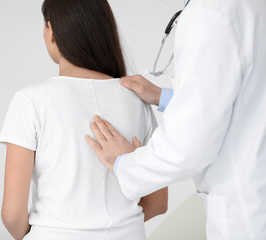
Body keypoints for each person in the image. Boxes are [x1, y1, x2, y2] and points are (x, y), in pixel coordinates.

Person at [86, 0, 266, 239]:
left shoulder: (207, 14)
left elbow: (189, 148)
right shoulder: (250, 7)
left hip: (247, 215)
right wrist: (166, 97)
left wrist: (125, 163)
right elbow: (246, 99)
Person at [0, 0, 168, 239]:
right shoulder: (138, 100)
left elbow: (12, 215)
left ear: (52, 32)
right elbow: (158, 202)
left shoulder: (30, 100)